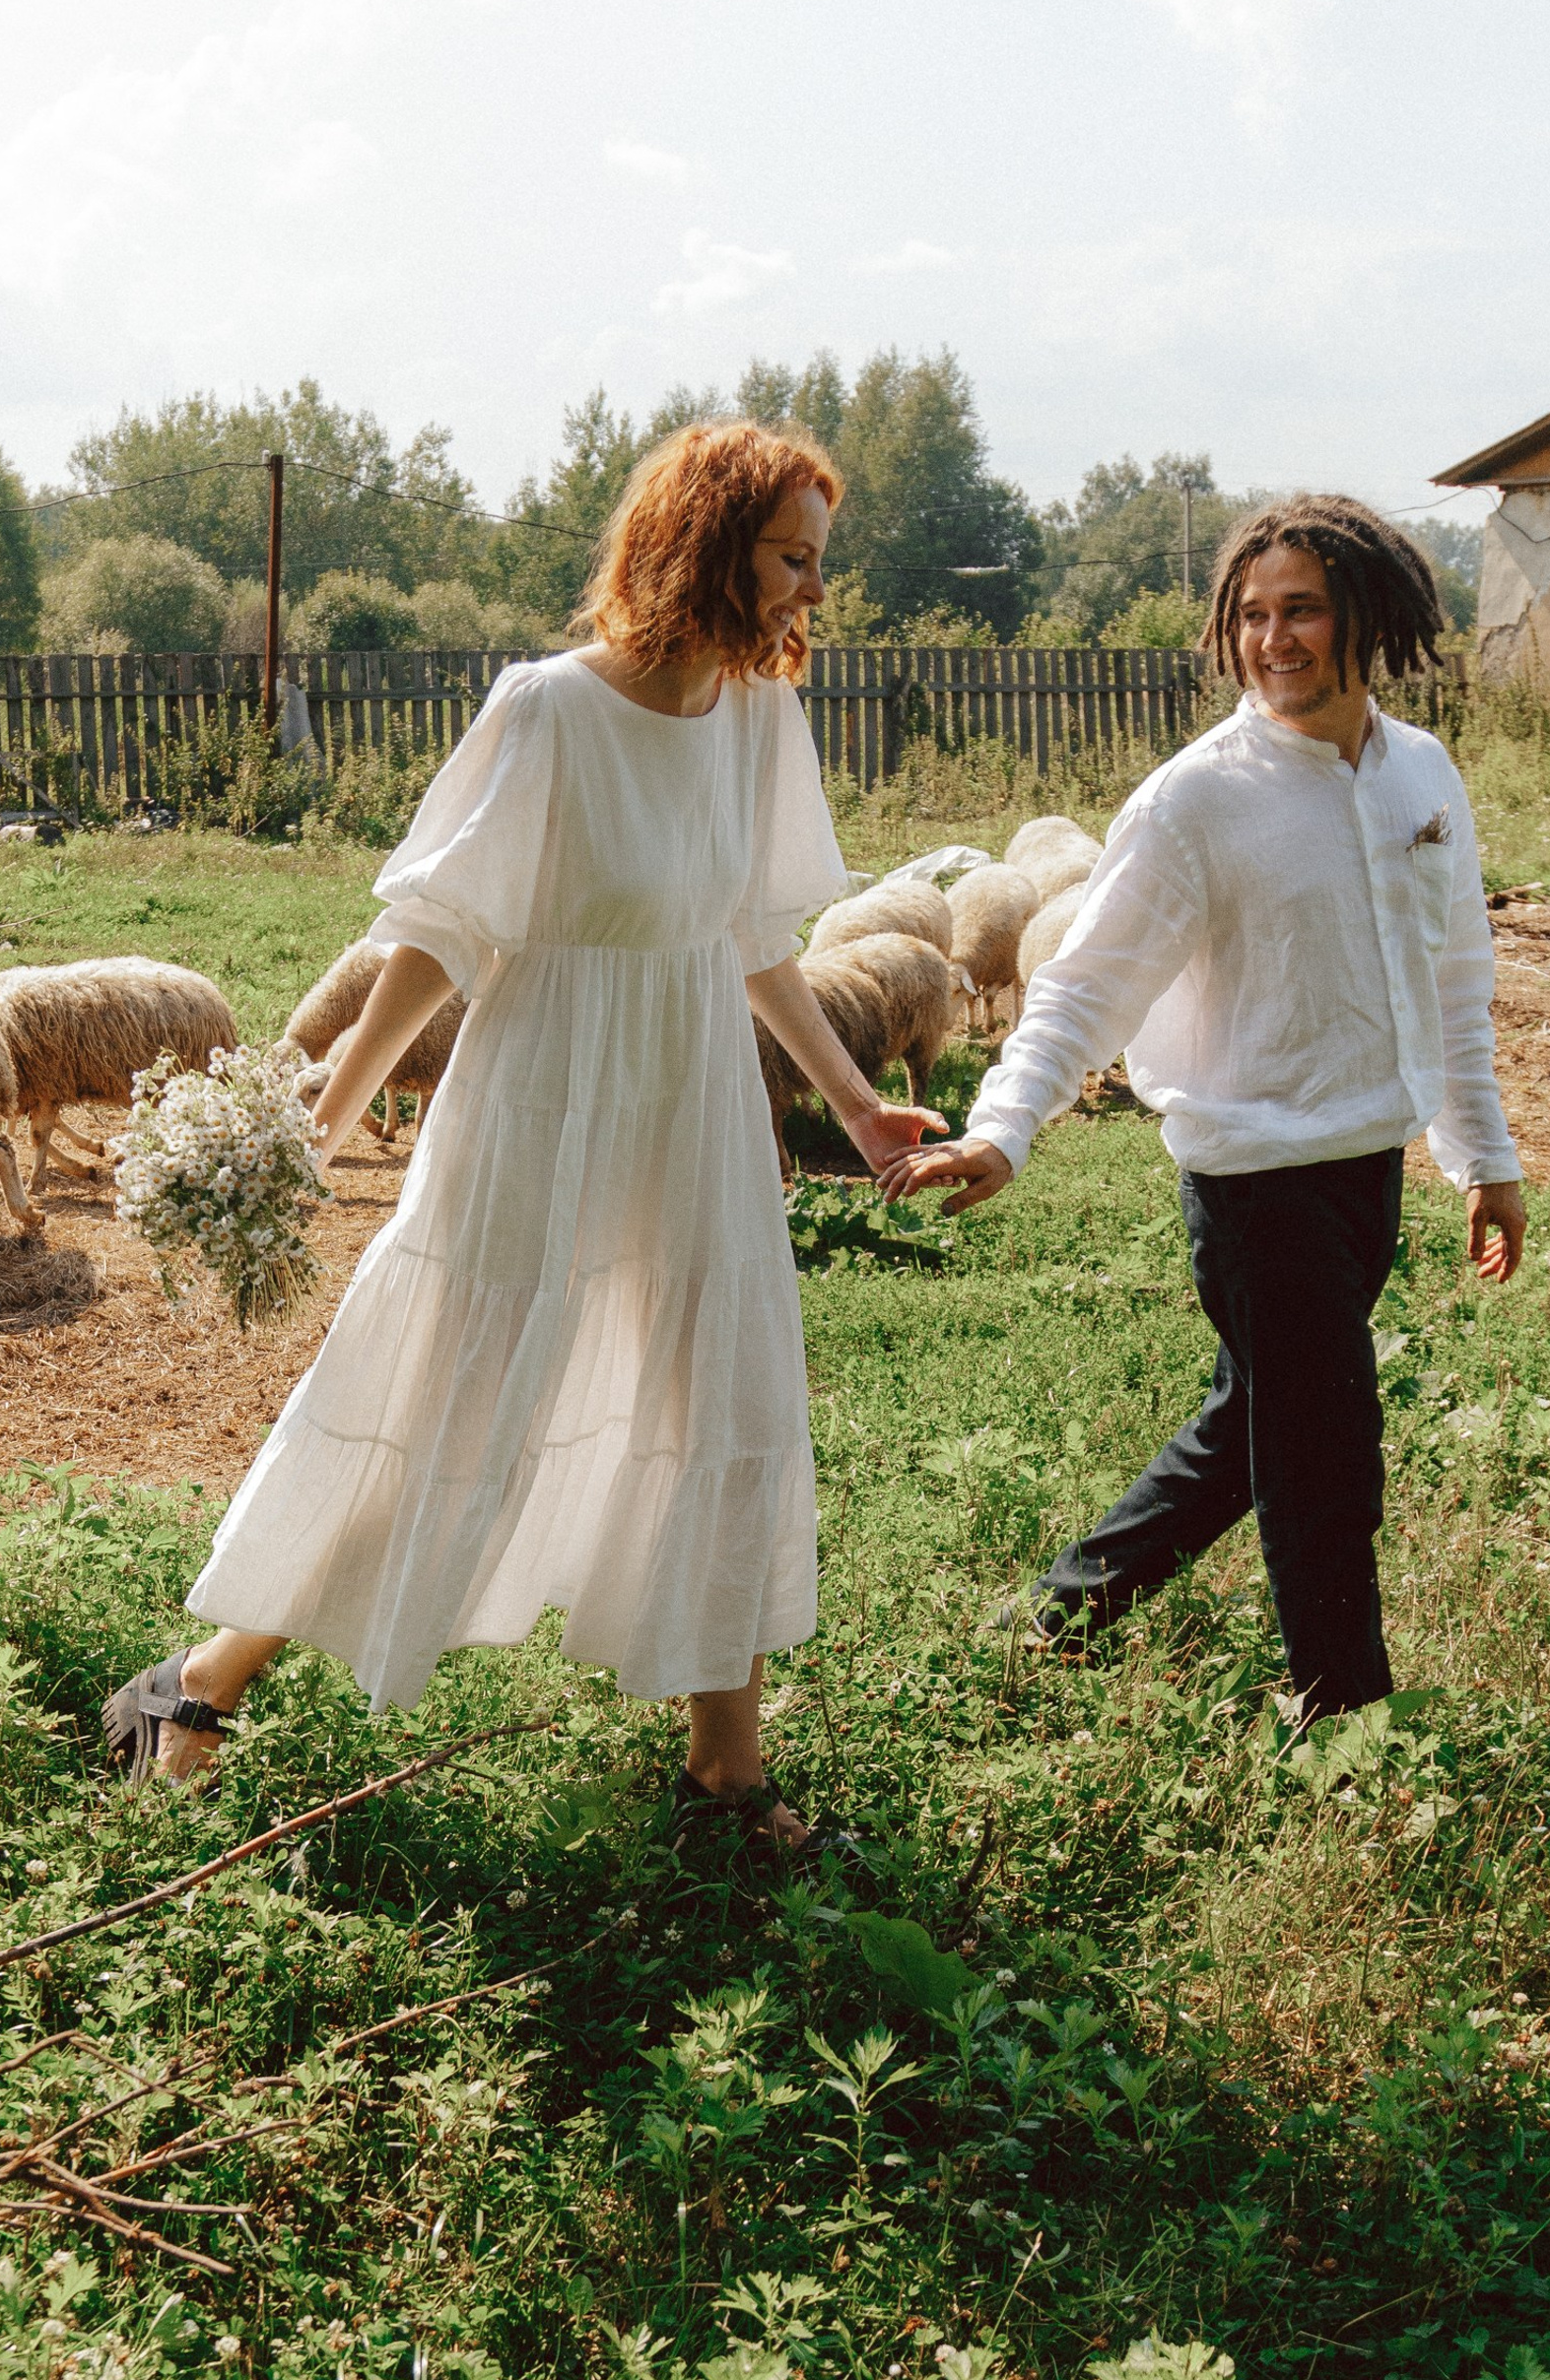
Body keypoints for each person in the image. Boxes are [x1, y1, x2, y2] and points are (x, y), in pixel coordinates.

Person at [103, 423, 939, 1846]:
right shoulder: (548, 711)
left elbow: (754, 934)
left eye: (818, 562)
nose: (812, 590)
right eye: (793, 558)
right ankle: (194, 1683)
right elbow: (444, 929)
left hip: (692, 1097)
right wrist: (338, 1101)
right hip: (542, 1094)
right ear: (707, 546)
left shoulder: (757, 718)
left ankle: (725, 1781)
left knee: (721, 1401)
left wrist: (859, 1110)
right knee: (452, 1405)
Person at [884, 494, 1525, 1723]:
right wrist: (1004, 1124)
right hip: (1252, 1179)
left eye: (1302, 611)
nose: (1272, 638)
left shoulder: (1423, 775)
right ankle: (1345, 1719)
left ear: (1367, 618)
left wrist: (1479, 1154)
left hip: (1365, 1168)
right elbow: (1081, 983)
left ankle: (1055, 1616)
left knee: (1258, 1426)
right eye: (1251, 615)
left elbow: (1456, 980)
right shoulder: (1195, 801)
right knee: (1325, 1450)